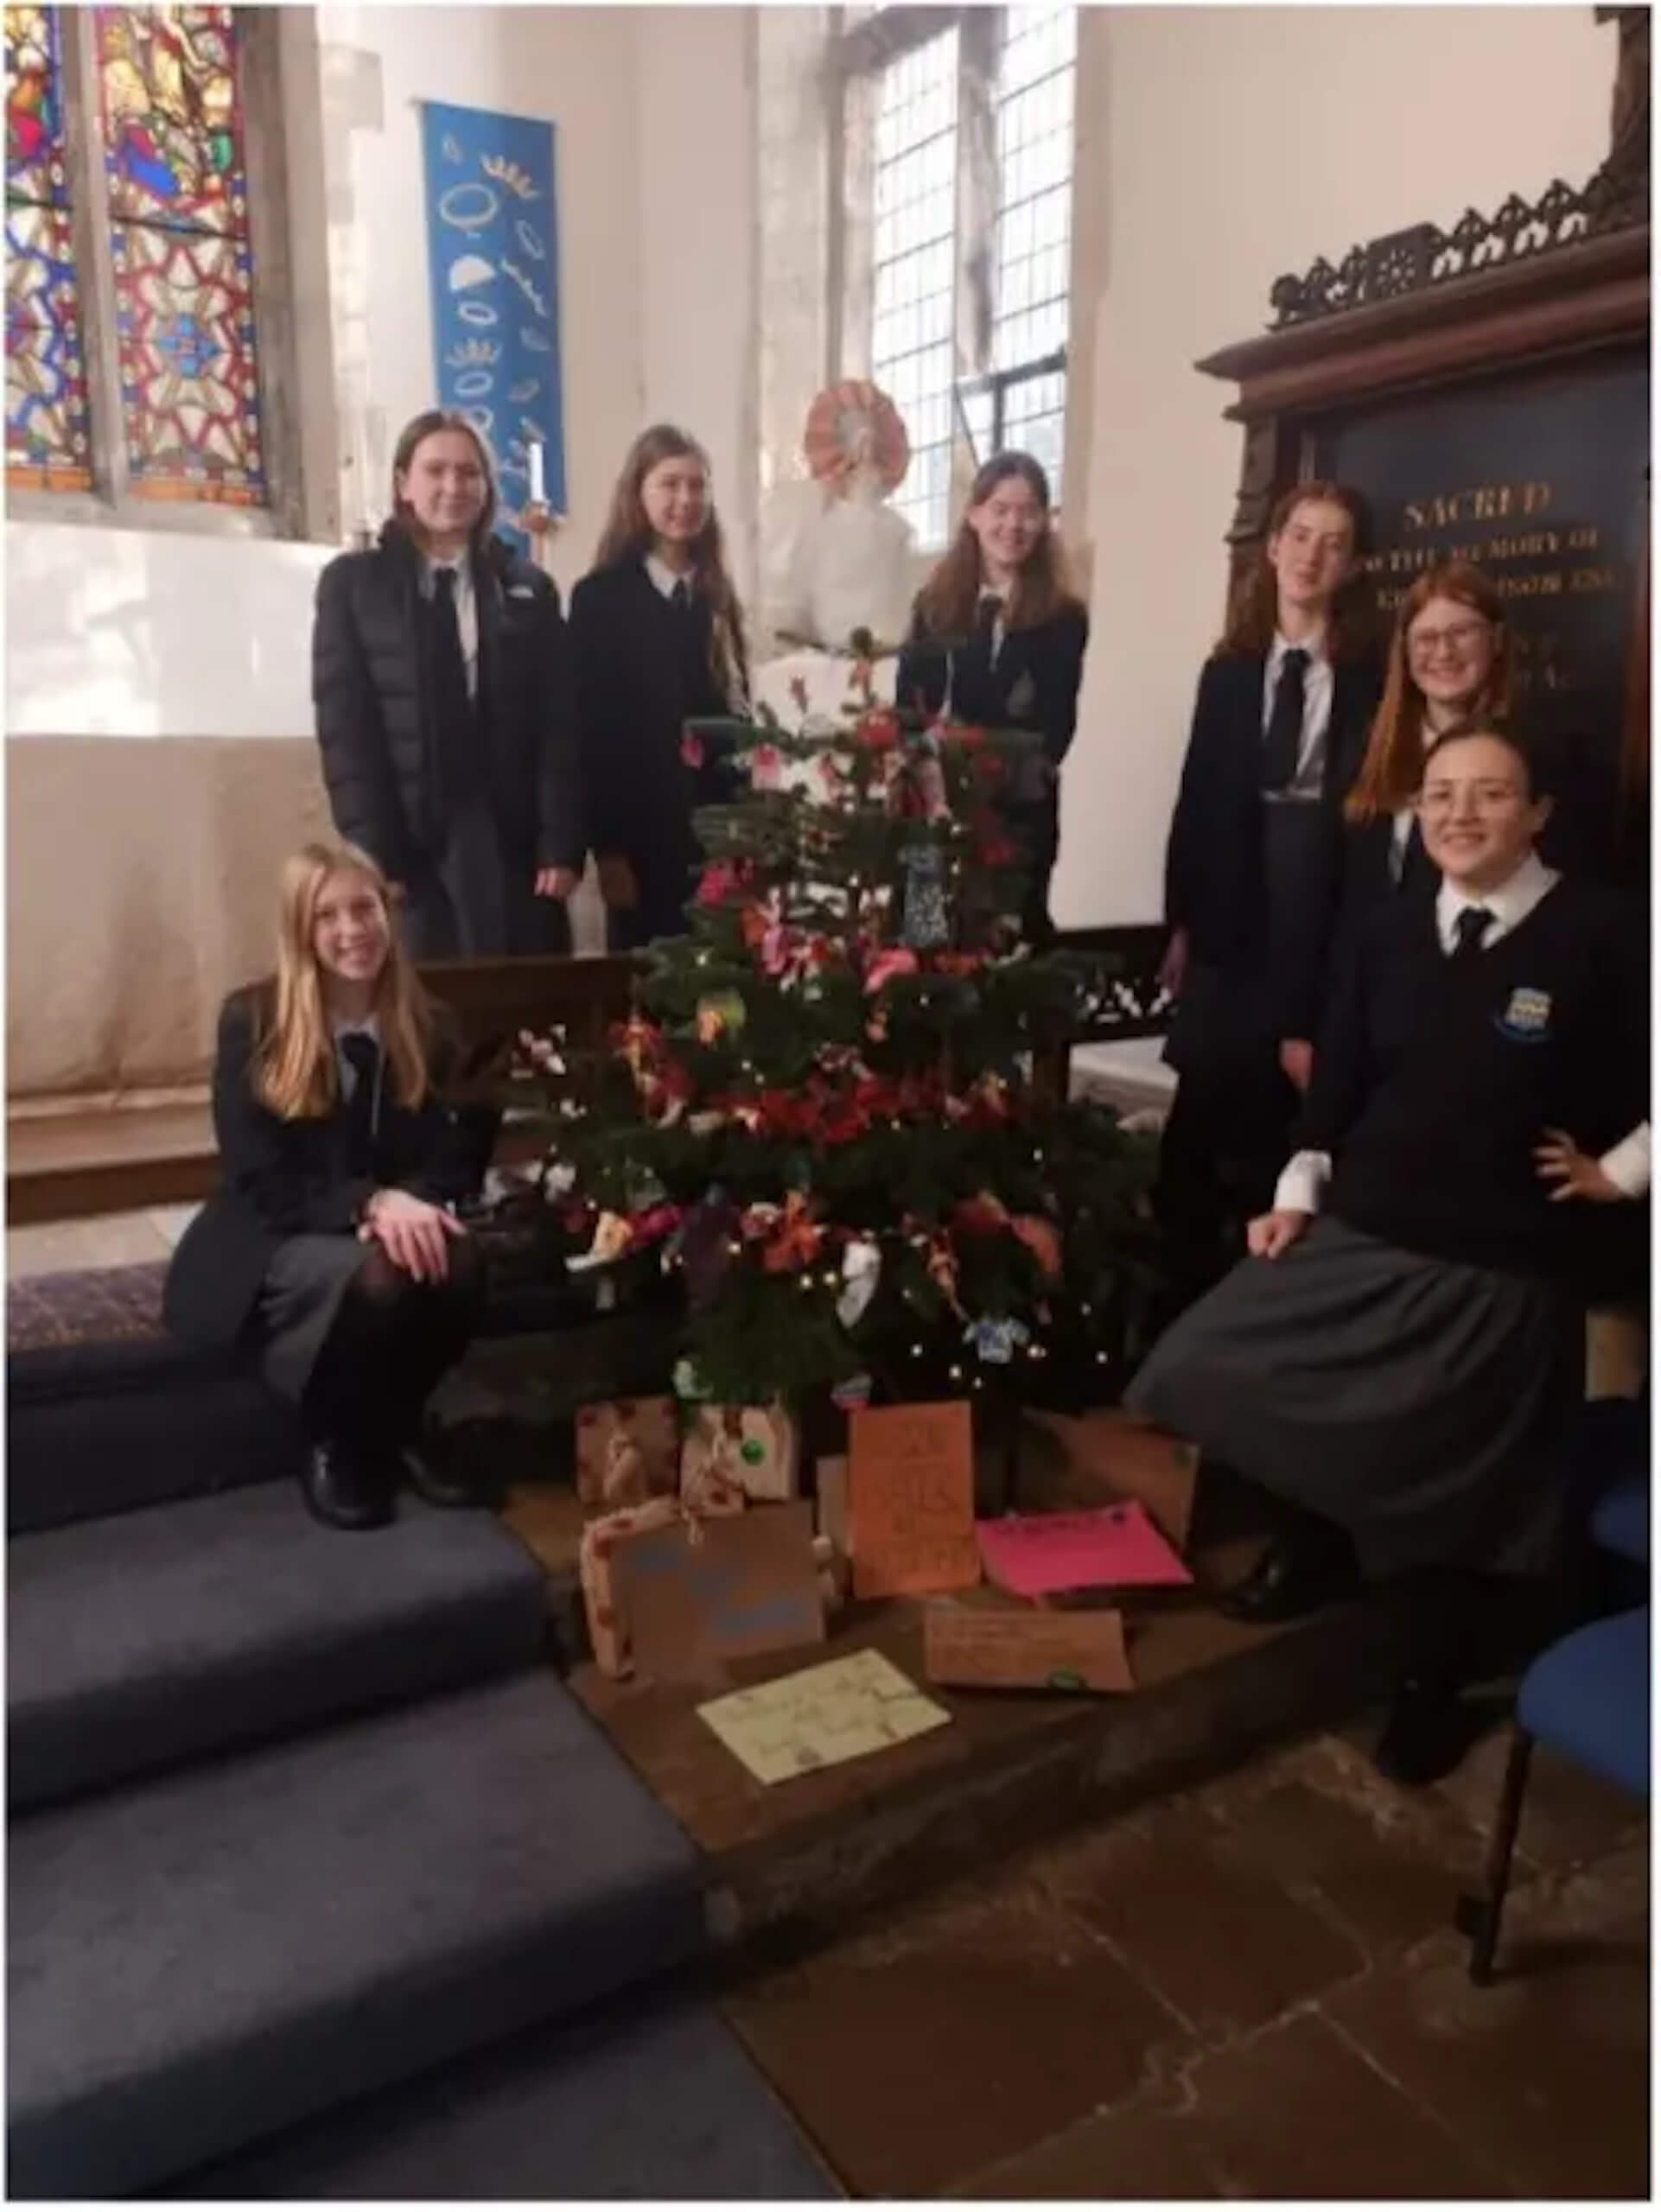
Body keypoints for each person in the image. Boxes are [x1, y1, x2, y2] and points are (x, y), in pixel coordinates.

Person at [1129, 723, 1648, 1773]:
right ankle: (1325, 1551)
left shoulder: (1605, 930)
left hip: (1503, 1263)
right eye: (1441, 793)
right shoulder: (1384, 927)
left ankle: (1430, 1679)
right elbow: (1333, 1090)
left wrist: (1623, 1170)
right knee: (1192, 1367)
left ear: (1537, 812)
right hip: (1364, 1231)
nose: (1459, 813)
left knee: (1458, 1496)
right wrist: (1294, 1197)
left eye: (1490, 794)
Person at [163, 842, 489, 1532]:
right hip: (277, 1230)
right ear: (300, 931)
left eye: (365, 908)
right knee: (381, 1274)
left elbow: (456, 1153)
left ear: (388, 915)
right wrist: (370, 1205)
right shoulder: (253, 1021)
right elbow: (260, 1175)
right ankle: (336, 1438)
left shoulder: (430, 1023)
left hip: (384, 1223)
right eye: (328, 915)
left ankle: (402, 1425)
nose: (353, 930)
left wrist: (416, 1204)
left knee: (457, 1259)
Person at [1154, 480, 1382, 1307]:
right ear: (1274, 547)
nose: (1312, 555)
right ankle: (1175, 1319)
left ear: (1351, 566)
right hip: (1228, 922)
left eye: (1334, 542)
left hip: (1312, 911)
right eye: (1301, 536)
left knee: (1275, 1133)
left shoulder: (1367, 678)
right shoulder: (1228, 673)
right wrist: (1180, 925)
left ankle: (1258, 1325)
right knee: (1197, 1135)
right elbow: (1194, 803)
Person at [312, 409, 583, 960]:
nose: (452, 487)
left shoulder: (528, 588)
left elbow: (559, 726)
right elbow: (346, 731)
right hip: (411, 843)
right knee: (429, 1009)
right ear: (403, 484)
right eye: (435, 471)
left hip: (510, 838)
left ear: (485, 488)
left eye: (468, 473)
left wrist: (561, 844)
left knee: (523, 1003)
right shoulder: (354, 587)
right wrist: (375, 854)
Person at [569, 424, 750, 950]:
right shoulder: (600, 599)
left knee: (723, 988)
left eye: (697, 486)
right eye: (670, 484)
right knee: (648, 991)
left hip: (718, 837)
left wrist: (747, 829)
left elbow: (738, 721)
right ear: (638, 493)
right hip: (641, 838)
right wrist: (608, 850)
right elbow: (592, 734)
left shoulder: (718, 599)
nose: (685, 500)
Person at [894, 451, 1088, 945]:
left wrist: (986, 777)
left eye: (1028, 511)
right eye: (1000, 509)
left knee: (1008, 963)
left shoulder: (1064, 617)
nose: (1013, 524)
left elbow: (1056, 729)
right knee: (925, 946)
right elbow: (908, 708)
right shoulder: (933, 602)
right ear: (974, 514)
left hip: (1017, 818)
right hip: (930, 810)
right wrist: (932, 781)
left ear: (1045, 521)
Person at [1341, 562, 1514, 925]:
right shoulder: (1364, 751)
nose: (1444, 653)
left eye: (1462, 632)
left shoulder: (1535, 757)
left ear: (1496, 639)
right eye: (1426, 638)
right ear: (1404, 650)